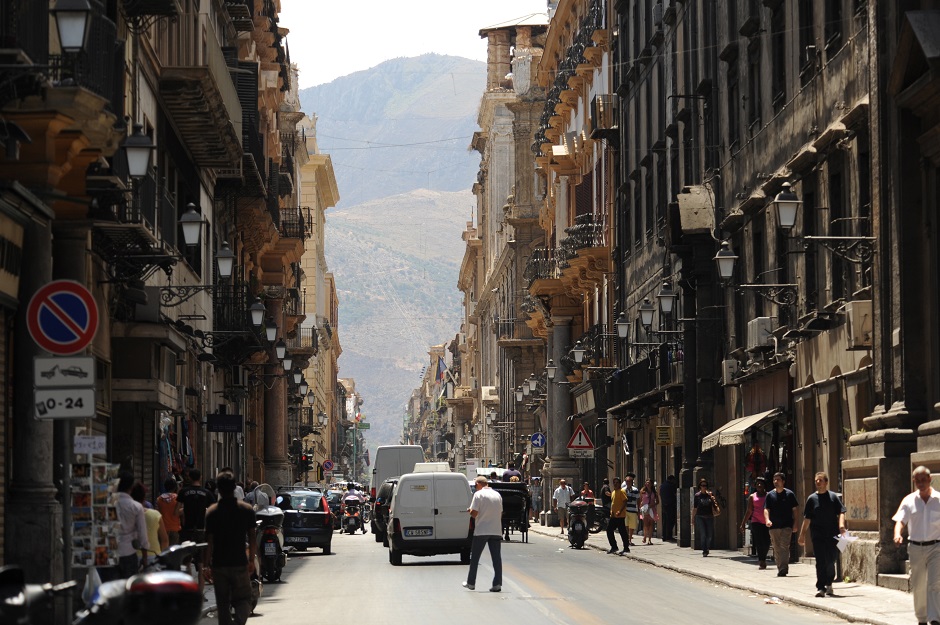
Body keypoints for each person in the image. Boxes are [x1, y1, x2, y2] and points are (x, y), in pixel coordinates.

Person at [205, 469, 257, 625]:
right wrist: (252, 559)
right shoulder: (246, 510)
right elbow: (253, 537)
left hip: (219, 564)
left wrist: (206, 565)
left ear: (218, 489)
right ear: (235, 487)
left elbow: (209, 541)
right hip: (239, 562)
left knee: (222, 603)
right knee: (244, 599)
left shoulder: (212, 512)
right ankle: (239, 622)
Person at [892, 466, 940, 625]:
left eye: (923, 480)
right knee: (919, 584)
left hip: (936, 547)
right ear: (914, 481)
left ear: (930, 479)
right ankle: (922, 618)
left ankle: (934, 619)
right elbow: (900, 521)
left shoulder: (939, 500)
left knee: (935, 583)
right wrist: (897, 534)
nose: (921, 483)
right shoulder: (909, 500)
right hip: (915, 547)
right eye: (917, 481)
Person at [798, 471, 846, 597]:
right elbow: (807, 518)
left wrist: (841, 526)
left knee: (830, 560)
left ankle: (829, 583)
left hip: (832, 534)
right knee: (820, 561)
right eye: (816, 481)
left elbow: (841, 511)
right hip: (817, 535)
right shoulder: (812, 499)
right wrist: (802, 535)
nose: (818, 482)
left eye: (820, 480)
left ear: (826, 482)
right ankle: (821, 587)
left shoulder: (833, 497)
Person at [176, 468, 216, 592]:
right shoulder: (207, 493)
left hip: (186, 530)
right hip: (201, 530)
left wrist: (184, 513)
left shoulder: (183, 492)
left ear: (189, 477)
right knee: (201, 563)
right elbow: (213, 511)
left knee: (186, 562)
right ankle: (200, 593)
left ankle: (188, 591)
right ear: (200, 477)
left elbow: (176, 511)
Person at [463, 476, 503, 592]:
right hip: (495, 530)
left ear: (479, 484)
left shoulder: (478, 495)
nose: (475, 488)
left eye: (475, 485)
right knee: (496, 558)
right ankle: (497, 584)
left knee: (475, 557)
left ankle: (471, 583)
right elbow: (500, 512)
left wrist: (469, 510)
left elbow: (474, 513)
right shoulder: (497, 495)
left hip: (482, 530)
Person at [114, 471, 150, 578]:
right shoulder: (136, 507)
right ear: (131, 487)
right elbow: (142, 535)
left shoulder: (107, 503)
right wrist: (144, 558)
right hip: (128, 553)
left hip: (109, 554)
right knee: (129, 588)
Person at [764, 471, 800, 577]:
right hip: (773, 526)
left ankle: (783, 568)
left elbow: (795, 510)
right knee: (776, 547)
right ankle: (780, 567)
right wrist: (767, 520)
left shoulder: (789, 494)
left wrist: (795, 523)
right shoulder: (770, 495)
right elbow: (766, 509)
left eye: (778, 479)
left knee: (784, 546)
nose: (775, 481)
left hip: (786, 525)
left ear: (783, 481)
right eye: (774, 479)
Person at [131, 481, 169, 556]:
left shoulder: (124, 515)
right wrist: (163, 557)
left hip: (131, 557)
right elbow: (164, 540)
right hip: (153, 556)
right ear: (144, 497)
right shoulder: (155, 515)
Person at [740, 476, 769, 569]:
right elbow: (749, 511)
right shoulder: (752, 497)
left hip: (767, 522)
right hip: (756, 521)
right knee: (759, 542)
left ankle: (763, 557)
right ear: (755, 486)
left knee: (767, 541)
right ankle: (762, 560)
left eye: (761, 484)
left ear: (764, 485)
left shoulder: (769, 495)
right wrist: (743, 523)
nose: (759, 485)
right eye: (757, 484)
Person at [692, 477, 719, 556]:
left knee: (709, 535)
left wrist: (712, 497)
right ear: (700, 486)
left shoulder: (710, 495)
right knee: (703, 534)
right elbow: (695, 508)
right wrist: (692, 518)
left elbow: (714, 504)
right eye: (703, 485)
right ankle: (704, 550)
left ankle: (707, 548)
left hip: (709, 516)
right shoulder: (697, 496)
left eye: (705, 485)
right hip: (700, 516)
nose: (704, 487)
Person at [606, 476, 629, 554]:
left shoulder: (622, 491)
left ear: (620, 483)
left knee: (622, 532)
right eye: (614, 483)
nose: (615, 484)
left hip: (620, 515)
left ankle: (626, 547)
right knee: (609, 530)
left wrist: (620, 511)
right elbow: (613, 503)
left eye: (617, 483)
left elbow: (625, 501)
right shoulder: (613, 492)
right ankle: (614, 547)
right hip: (613, 516)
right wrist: (612, 512)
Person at [157, 478, 181, 546]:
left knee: (163, 552)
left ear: (165, 487)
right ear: (175, 487)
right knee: (173, 553)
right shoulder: (178, 498)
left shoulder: (159, 499)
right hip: (174, 528)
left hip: (163, 529)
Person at [638, 478, 659, 545]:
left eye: (649, 483)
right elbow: (640, 500)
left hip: (652, 509)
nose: (648, 484)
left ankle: (649, 539)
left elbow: (657, 501)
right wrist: (641, 507)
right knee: (646, 524)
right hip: (645, 509)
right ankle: (644, 537)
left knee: (651, 524)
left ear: (652, 484)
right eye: (647, 483)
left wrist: (653, 504)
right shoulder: (642, 491)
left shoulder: (654, 492)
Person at [622, 474, 640, 546]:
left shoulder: (635, 490)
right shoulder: (623, 490)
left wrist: (638, 509)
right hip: (625, 510)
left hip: (633, 509)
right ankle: (626, 540)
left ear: (632, 482)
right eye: (627, 481)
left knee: (632, 526)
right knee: (626, 526)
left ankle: (629, 539)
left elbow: (638, 500)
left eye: (630, 481)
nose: (628, 483)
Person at [659, 475, 677, 541]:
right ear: (672, 480)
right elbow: (674, 495)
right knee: (671, 521)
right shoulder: (671, 486)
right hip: (670, 505)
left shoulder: (662, 486)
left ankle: (664, 536)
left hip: (664, 505)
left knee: (665, 521)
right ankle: (669, 536)